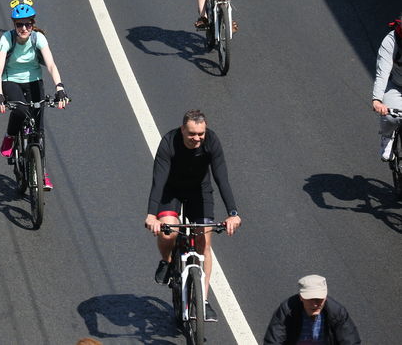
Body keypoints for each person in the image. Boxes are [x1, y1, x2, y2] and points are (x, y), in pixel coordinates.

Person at [144, 110, 241, 323]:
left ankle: (203, 301)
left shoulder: (212, 141)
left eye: (201, 134)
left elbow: (221, 177)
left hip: (200, 192)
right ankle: (167, 261)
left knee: (203, 242)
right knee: (168, 231)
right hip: (172, 191)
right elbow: (158, 180)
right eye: (192, 134)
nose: (197, 138)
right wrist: (152, 215)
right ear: (182, 130)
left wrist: (233, 213)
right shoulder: (169, 143)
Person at [0, 0, 68, 190]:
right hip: (10, 80)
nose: (24, 28)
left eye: (28, 24)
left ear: (33, 23)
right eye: (19, 25)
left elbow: (51, 64)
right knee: (20, 110)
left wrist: (59, 88)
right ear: (14, 25)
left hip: (34, 81)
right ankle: (10, 137)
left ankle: (41, 173)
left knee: (38, 131)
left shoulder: (38, 38)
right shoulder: (6, 39)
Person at [263, 275, 361, 344]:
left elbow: (351, 341)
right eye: (310, 299)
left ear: (325, 297)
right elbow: (273, 340)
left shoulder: (337, 313)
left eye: (319, 299)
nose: (315, 304)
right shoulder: (287, 310)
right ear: (301, 297)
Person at [371, 14, 402, 160]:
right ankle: (387, 136)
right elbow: (382, 72)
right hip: (395, 85)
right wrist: (377, 99)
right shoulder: (391, 40)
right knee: (390, 117)